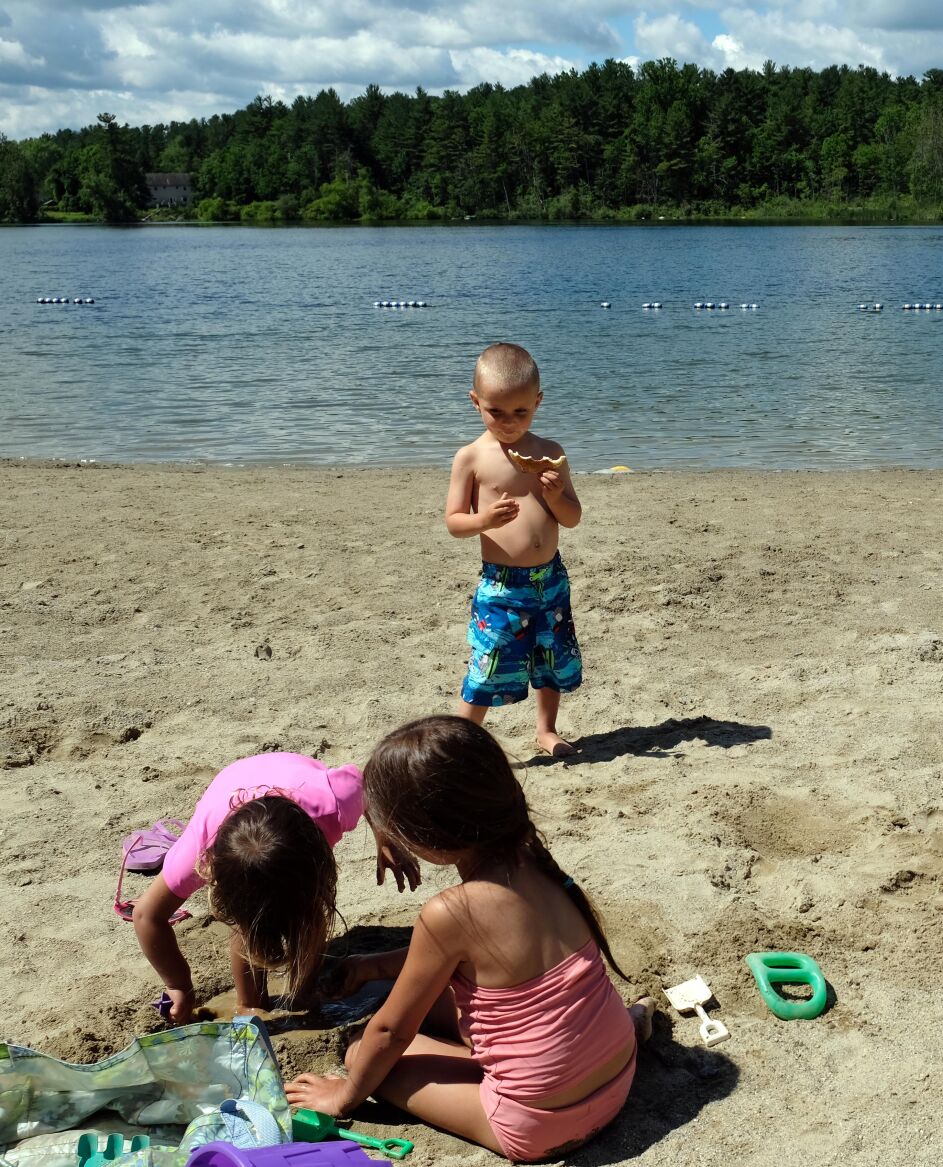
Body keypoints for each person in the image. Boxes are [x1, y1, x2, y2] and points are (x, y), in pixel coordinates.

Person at [286, 716, 651, 1163]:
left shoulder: (450, 912)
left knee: (363, 1047)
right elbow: (484, 959)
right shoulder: (539, 864)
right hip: (618, 1072)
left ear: (424, 835)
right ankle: (622, 1025)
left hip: (539, 1124)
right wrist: (376, 965)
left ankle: (504, 1067)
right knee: (470, 1003)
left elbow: (391, 1031)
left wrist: (342, 1096)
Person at [132, 752, 419, 1024]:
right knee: (249, 925)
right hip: (232, 785)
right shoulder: (197, 854)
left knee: (308, 915)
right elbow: (146, 916)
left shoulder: (336, 802)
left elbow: (370, 783)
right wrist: (179, 984)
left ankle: (303, 993)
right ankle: (250, 1002)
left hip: (302, 785)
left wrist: (386, 837)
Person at [446, 342, 584, 757]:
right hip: (503, 585)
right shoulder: (471, 458)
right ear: (476, 403)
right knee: (489, 662)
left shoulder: (550, 454)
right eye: (496, 412)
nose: (508, 423)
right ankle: (461, 742)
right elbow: (454, 522)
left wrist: (556, 494)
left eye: (520, 412)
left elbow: (572, 517)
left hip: (550, 579)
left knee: (551, 658)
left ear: (537, 402)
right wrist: (485, 521)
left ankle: (546, 730)